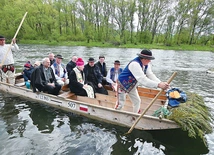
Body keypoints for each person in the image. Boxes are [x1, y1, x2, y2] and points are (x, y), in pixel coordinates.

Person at [115, 49, 170, 113]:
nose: (150, 61)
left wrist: (160, 83)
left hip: (132, 85)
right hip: (122, 84)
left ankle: (134, 117)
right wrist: (158, 85)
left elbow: (150, 75)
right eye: (149, 59)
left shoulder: (146, 65)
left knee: (137, 101)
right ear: (144, 59)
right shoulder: (135, 64)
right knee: (120, 104)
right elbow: (142, 80)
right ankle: (116, 116)